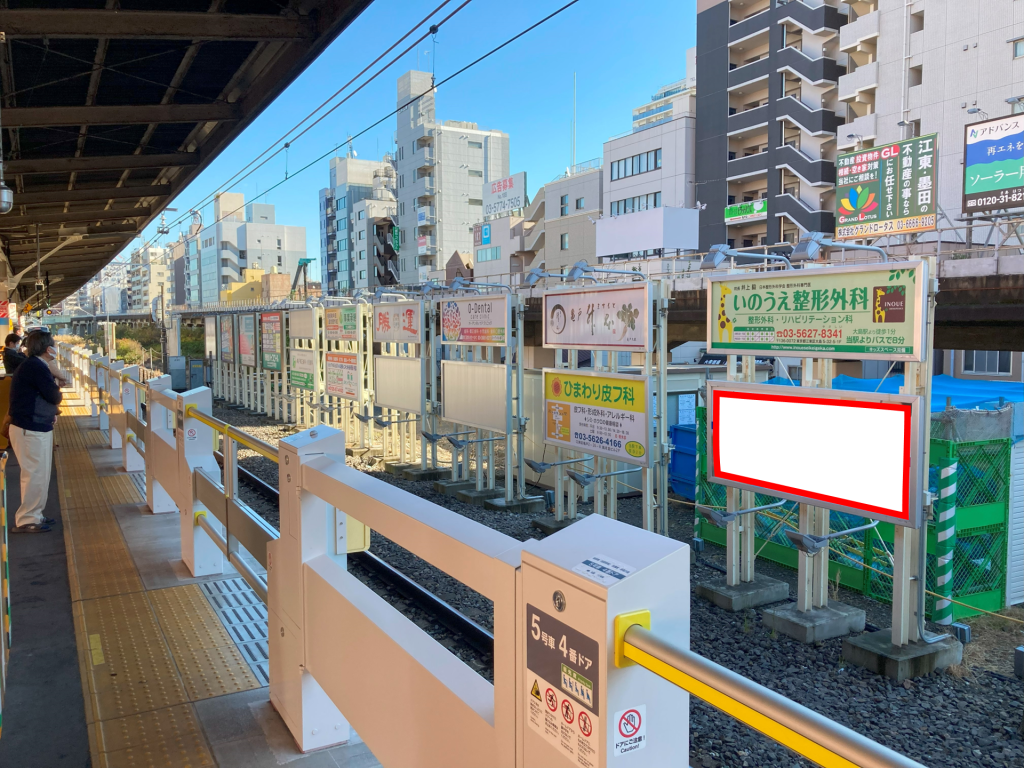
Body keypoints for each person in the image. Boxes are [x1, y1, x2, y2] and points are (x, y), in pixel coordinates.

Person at [8, 329, 62, 533]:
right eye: (53, 345)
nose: (55, 348)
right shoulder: (36, 367)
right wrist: (57, 383)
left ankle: (36, 514)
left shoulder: (34, 366)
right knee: (34, 474)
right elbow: (54, 396)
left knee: (41, 473)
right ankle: (27, 519)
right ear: (48, 349)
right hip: (30, 428)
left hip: (36, 426)